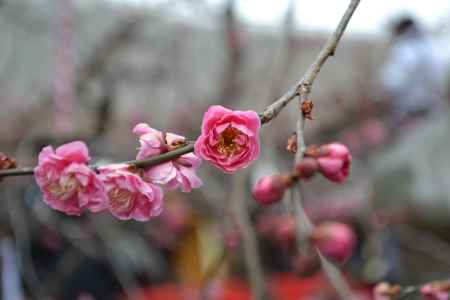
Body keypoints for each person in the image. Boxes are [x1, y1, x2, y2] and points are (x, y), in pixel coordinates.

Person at [379, 17, 445, 128]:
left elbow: (396, 79)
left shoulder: (405, 48)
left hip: (412, 109)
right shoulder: (430, 44)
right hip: (432, 106)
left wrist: (383, 89)